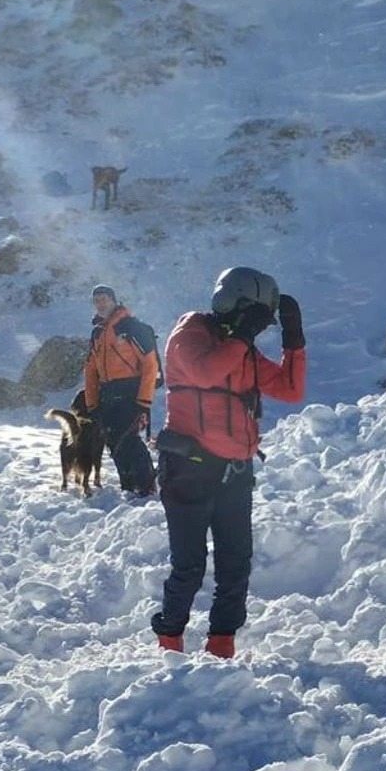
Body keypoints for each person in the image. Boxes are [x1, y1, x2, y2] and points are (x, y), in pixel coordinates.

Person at [148, 266, 306, 659]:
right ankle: (169, 644)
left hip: (235, 471)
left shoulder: (242, 349)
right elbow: (205, 373)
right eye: (256, 315)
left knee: (236, 564)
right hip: (189, 468)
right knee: (189, 566)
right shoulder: (190, 333)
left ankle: (222, 645)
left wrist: (294, 340)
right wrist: (241, 336)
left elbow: (290, 389)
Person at [82, 284, 161, 497]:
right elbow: (90, 370)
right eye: (96, 300)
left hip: (131, 392)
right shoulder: (98, 333)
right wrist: (92, 404)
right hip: (108, 394)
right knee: (113, 440)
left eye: (104, 299)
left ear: (114, 301)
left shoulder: (129, 327)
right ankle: (128, 486)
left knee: (129, 439)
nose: (100, 304)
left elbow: (150, 365)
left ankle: (146, 488)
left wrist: (143, 401)